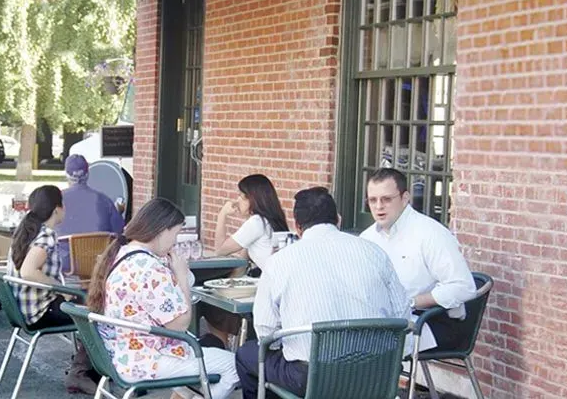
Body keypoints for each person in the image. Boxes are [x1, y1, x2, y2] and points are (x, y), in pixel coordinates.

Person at [235, 187, 410, 399]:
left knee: (247, 354)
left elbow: (265, 333)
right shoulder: (375, 252)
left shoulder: (279, 262)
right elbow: (402, 315)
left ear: (298, 227)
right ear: (338, 219)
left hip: (312, 377)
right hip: (377, 373)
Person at [88, 198, 240, 399]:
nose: (175, 242)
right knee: (235, 366)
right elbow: (179, 325)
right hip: (148, 358)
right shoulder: (150, 268)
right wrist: (182, 278)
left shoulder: (122, 253)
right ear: (161, 230)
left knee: (200, 367)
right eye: (175, 234)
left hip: (121, 353)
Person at [360, 167, 476, 351]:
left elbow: (464, 287)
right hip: (386, 320)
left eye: (387, 199)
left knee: (367, 345)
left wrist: (411, 301)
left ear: (405, 198)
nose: (379, 206)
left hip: (433, 321)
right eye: (373, 200)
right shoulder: (367, 238)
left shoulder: (430, 233)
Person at [7, 185, 97, 395]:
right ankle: (81, 373)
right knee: (97, 315)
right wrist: (60, 288)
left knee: (88, 304)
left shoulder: (26, 231)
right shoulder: (46, 235)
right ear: (57, 209)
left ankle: (84, 370)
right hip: (41, 312)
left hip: (24, 311)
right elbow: (28, 271)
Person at [204, 174, 289, 347]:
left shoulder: (256, 222)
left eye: (242, 197)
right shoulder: (272, 220)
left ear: (253, 200)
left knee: (213, 306)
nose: (237, 201)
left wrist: (222, 215)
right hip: (279, 287)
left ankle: (222, 348)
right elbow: (242, 259)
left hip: (269, 290)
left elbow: (220, 250)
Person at [55, 154, 125, 273]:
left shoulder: (56, 200)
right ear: (87, 174)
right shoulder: (104, 200)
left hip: (65, 265)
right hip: (97, 264)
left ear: (66, 174)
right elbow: (119, 232)